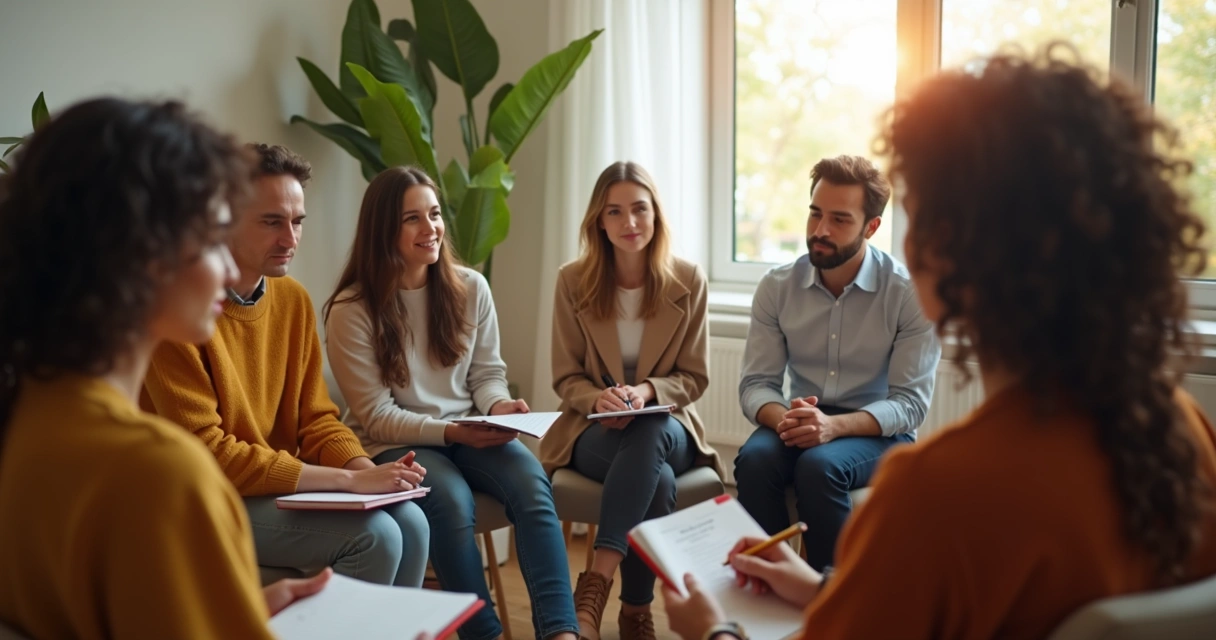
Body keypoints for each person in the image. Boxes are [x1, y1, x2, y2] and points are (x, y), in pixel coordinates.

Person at [663, 46, 1216, 640]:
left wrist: (715, 633)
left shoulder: (933, 496)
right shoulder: (1183, 432)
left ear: (948, 256)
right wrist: (825, 589)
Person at [0, 97, 330, 638]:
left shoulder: (28, 422)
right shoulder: (162, 476)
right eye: (210, 238)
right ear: (140, 259)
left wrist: (232, 610)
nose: (226, 266)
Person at [142, 143, 430, 587]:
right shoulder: (178, 308)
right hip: (198, 498)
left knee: (412, 521)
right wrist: (345, 483)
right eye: (272, 221)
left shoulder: (291, 300)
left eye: (296, 222)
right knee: (378, 538)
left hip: (267, 487)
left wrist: (364, 470)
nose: (290, 239)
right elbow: (208, 453)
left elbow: (315, 419)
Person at [323, 166, 578, 640]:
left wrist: (499, 407)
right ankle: (483, 634)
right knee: (451, 503)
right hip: (391, 443)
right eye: (412, 219)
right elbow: (377, 414)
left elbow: (486, 376)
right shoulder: (351, 309)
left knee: (533, 488)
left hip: (467, 430)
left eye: (435, 214)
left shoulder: (470, 288)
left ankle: (561, 632)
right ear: (384, 231)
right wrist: (453, 431)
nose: (431, 228)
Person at [541, 161, 723, 640]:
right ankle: (635, 613)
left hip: (669, 427)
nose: (629, 223)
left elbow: (694, 376)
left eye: (639, 209)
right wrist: (600, 399)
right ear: (599, 221)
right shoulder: (572, 281)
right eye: (615, 212)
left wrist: (644, 393)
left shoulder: (688, 279)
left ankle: (596, 581)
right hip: (593, 430)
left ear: (656, 215)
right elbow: (565, 377)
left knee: (651, 430)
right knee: (656, 483)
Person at [732, 154, 941, 570]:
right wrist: (788, 420)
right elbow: (756, 383)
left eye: (840, 220)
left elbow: (910, 405)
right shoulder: (777, 287)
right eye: (814, 214)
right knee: (753, 460)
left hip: (879, 431)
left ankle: (832, 605)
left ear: (871, 227)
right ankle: (767, 597)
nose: (820, 231)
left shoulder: (907, 294)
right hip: (802, 419)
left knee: (818, 467)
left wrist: (834, 426)